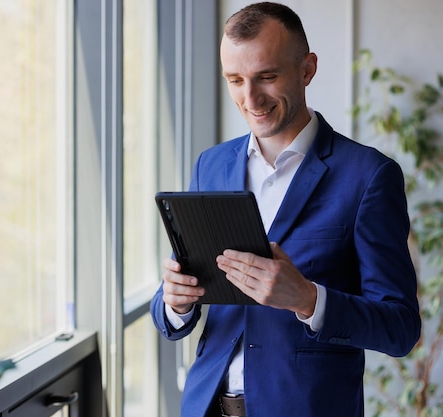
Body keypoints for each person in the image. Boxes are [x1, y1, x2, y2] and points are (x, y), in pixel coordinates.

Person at [151, 2, 421, 416]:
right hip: (205, 407)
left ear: (307, 69)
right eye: (235, 80)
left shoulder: (369, 176)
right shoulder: (211, 165)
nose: (250, 98)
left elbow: (400, 329)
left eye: (267, 77)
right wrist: (176, 301)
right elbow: (175, 303)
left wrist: (309, 299)